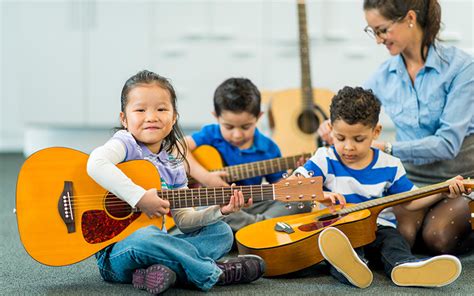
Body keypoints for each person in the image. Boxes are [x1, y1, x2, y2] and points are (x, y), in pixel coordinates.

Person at [86, 70, 265, 294]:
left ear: (174, 117)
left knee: (221, 232)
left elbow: (184, 220)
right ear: (124, 119)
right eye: (140, 110)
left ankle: (159, 273)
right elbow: (96, 163)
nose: (151, 117)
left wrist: (220, 210)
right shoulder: (125, 143)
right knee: (145, 237)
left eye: (161, 109)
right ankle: (213, 273)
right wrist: (139, 198)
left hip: (158, 246)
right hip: (117, 255)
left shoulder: (174, 161)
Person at [318, 0, 474, 255]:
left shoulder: (462, 69)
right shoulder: (385, 74)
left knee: (438, 238)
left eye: (382, 30)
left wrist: (386, 147)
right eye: (372, 32)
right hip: (410, 181)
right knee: (400, 237)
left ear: (409, 18)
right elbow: (356, 109)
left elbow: (447, 144)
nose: (378, 40)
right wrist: (330, 125)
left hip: (459, 180)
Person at [294, 86, 470, 288]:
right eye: (340, 138)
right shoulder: (324, 158)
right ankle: (352, 267)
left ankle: (405, 267)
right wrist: (320, 194)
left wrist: (443, 190)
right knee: (339, 246)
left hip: (378, 228)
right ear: (331, 130)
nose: (348, 147)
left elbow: (411, 201)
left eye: (359, 139)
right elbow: (295, 184)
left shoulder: (390, 164)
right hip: (338, 229)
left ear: (376, 132)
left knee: (394, 243)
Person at [185, 77, 307, 232]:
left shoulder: (268, 148)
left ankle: (252, 227)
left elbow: (279, 190)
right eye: (228, 127)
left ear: (259, 117)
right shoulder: (211, 134)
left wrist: (296, 175)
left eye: (246, 127)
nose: (237, 135)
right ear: (216, 116)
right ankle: (260, 228)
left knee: (302, 199)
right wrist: (205, 177)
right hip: (219, 208)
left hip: (252, 206)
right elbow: (177, 147)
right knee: (205, 207)